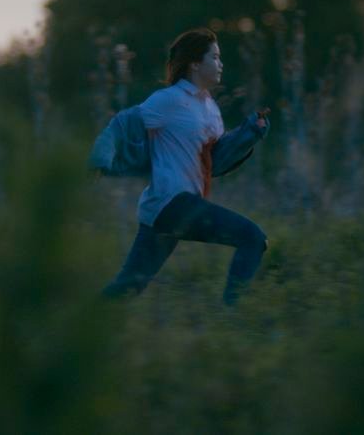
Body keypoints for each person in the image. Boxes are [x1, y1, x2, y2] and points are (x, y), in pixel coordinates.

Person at [92, 28, 270, 305]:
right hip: (172, 203)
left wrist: (249, 133)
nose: (221, 63)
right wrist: (100, 160)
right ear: (195, 63)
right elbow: (121, 124)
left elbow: (215, 163)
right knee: (253, 238)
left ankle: (73, 327)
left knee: (128, 286)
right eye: (215, 57)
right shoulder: (170, 99)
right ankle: (232, 318)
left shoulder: (211, 109)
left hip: (167, 211)